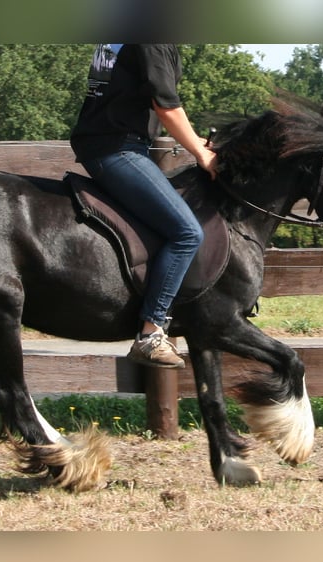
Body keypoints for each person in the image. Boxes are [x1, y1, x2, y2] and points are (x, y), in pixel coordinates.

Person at [70, 44, 218, 369]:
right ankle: (151, 334)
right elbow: (166, 107)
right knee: (187, 233)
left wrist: (194, 141)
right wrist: (201, 153)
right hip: (119, 148)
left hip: (107, 142)